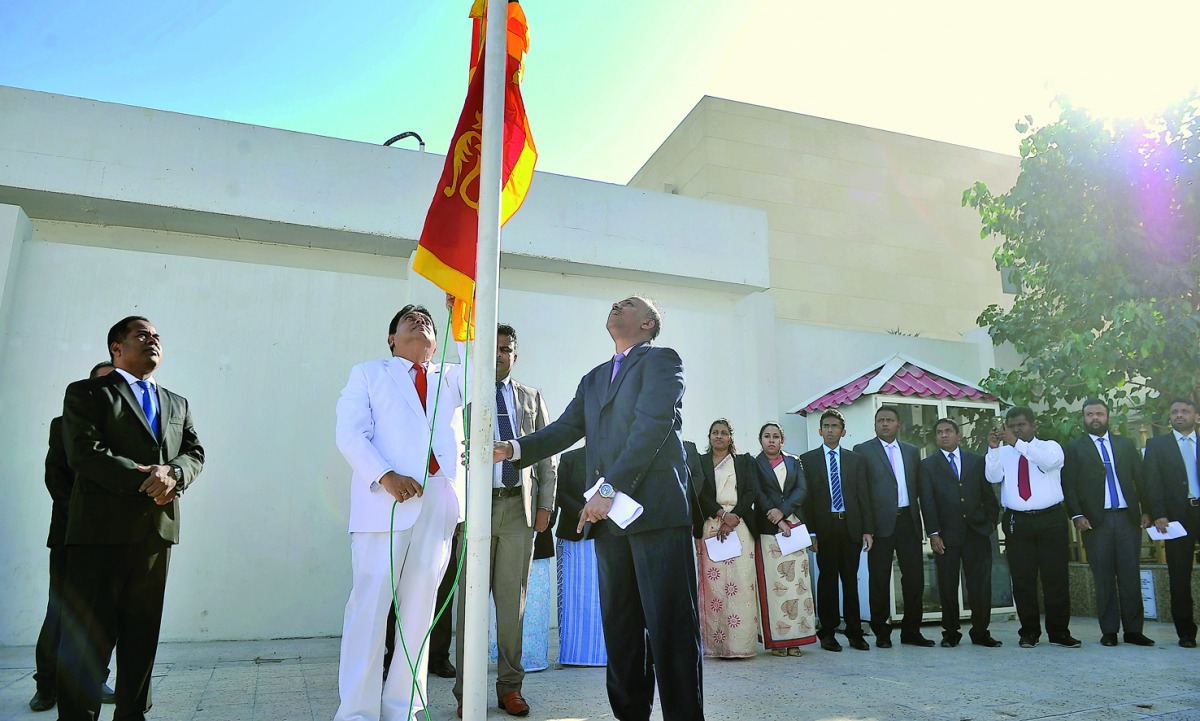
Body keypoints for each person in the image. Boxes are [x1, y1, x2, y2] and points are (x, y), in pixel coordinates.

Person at [494, 296, 703, 721]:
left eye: (627, 304)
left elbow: (652, 426)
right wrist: (513, 448)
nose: (615, 306)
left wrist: (608, 488)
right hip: (610, 526)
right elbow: (565, 429)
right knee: (622, 631)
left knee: (671, 631)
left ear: (647, 323)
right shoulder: (593, 379)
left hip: (655, 516)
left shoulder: (662, 361)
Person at [56, 317, 205, 721]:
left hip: (156, 534)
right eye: (142, 334)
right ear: (116, 348)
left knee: (142, 636)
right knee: (90, 635)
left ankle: (132, 714)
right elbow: (84, 453)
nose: (152, 340)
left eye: (157, 336)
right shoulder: (88, 392)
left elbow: (194, 453)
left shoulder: (177, 402)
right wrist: (148, 478)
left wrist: (173, 473)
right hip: (100, 533)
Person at [334, 299, 465, 721]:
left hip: (438, 503)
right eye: (409, 320)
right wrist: (386, 475)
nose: (420, 322)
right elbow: (350, 433)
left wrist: (464, 312)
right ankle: (357, 712)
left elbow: (481, 366)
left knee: (419, 612)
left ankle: (403, 708)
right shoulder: (369, 373)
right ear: (392, 339)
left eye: (426, 321)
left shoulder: (451, 376)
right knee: (370, 609)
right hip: (384, 504)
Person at [453, 323, 556, 718]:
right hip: (474, 512)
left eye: (505, 348)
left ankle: (510, 687)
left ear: (515, 354)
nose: (498, 354)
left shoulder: (530, 397)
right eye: (492, 348)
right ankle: (467, 693)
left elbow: (546, 453)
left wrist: (545, 504)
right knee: (470, 604)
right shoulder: (464, 392)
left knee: (512, 606)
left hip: (519, 510)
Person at [29, 362, 117, 714]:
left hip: (114, 538)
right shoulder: (62, 425)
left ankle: (93, 680)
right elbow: (56, 480)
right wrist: (88, 519)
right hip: (71, 535)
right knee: (61, 611)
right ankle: (47, 685)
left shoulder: (126, 431)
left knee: (104, 614)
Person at [1062, 398, 1154, 647]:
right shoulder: (1074, 448)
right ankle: (1109, 631)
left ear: (1108, 416)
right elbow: (1068, 485)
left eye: (1099, 414)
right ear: (1083, 418)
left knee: (1130, 577)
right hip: (1095, 522)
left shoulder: (1125, 444)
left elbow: (1141, 479)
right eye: (1089, 414)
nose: (1094, 418)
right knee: (1103, 578)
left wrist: (1147, 511)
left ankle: (1134, 631)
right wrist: (1077, 515)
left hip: (1127, 519)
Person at [985, 406, 1079, 649]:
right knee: (1023, 579)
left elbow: (1049, 463)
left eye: (1021, 425)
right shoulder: (1005, 452)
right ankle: (1029, 632)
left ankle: (1059, 632)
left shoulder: (1049, 446)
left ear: (1033, 425)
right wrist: (994, 449)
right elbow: (993, 477)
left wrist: (1018, 444)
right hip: (1018, 521)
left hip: (1051, 520)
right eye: (1012, 425)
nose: (1016, 429)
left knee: (1055, 578)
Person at [853, 406, 934, 649]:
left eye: (890, 420)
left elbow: (920, 491)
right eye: (880, 420)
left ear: (899, 424)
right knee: (879, 579)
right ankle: (882, 631)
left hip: (908, 521)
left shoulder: (911, 452)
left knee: (914, 579)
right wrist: (866, 528)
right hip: (879, 525)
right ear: (875, 424)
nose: (885, 424)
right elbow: (862, 494)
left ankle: (911, 631)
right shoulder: (863, 451)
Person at [920, 418, 1002, 648]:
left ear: (958, 435)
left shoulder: (976, 461)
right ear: (935, 438)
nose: (944, 435)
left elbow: (989, 496)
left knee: (980, 585)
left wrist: (991, 523)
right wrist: (934, 533)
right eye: (939, 432)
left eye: (948, 431)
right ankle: (951, 633)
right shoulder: (928, 466)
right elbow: (927, 501)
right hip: (946, 535)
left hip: (977, 532)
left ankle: (980, 632)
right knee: (947, 585)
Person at [800, 410, 872, 652]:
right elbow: (806, 500)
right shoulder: (807, 460)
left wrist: (867, 530)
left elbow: (864, 496)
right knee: (827, 580)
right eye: (826, 426)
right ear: (819, 430)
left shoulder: (855, 460)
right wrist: (810, 533)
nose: (830, 430)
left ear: (843, 431)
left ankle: (855, 632)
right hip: (825, 528)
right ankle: (828, 632)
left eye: (835, 426)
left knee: (850, 580)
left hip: (850, 527)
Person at [693, 418, 761, 658]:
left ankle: (741, 646)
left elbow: (751, 491)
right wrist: (722, 515)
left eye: (723, 433)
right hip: (711, 524)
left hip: (740, 525)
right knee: (714, 587)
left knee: (742, 585)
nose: (719, 436)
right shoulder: (700, 462)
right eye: (715, 433)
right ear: (709, 437)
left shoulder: (743, 462)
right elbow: (698, 493)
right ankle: (714, 646)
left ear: (731, 437)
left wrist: (733, 517)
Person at [751, 421, 816, 656]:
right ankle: (778, 641)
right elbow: (757, 493)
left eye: (776, 436)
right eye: (767, 436)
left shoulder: (793, 461)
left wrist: (785, 512)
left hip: (794, 528)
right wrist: (776, 519)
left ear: (782, 440)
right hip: (769, 531)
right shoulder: (754, 464)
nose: (771, 440)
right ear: (761, 440)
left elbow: (802, 490)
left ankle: (797, 639)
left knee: (798, 587)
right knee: (775, 588)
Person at [1142, 397, 1200, 648]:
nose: (1179, 415)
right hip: (1177, 517)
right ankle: (1186, 633)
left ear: (1195, 415)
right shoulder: (1157, 445)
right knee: (1179, 575)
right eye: (1174, 411)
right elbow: (1151, 482)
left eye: (1185, 411)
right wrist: (1158, 513)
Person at [553, 447, 607, 667]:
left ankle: (606, 654)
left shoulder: (617, 457)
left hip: (608, 532)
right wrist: (582, 512)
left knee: (605, 595)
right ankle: (573, 654)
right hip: (573, 533)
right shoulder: (569, 458)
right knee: (573, 594)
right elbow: (560, 492)